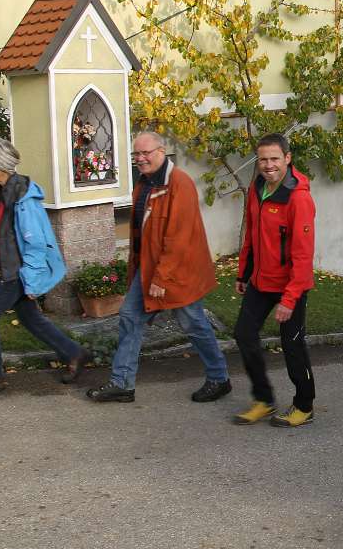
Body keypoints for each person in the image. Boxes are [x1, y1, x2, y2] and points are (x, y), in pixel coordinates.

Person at [88, 132, 230, 404]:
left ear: (161, 151)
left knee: (193, 323)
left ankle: (219, 377)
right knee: (130, 317)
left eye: (145, 153)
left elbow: (177, 237)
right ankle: (122, 384)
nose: (140, 159)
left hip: (179, 271)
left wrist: (162, 278)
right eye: (136, 155)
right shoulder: (144, 184)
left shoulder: (180, 184)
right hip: (150, 268)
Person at [0, 139, 86, 393]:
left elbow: (36, 245)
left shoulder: (23, 199)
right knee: (31, 319)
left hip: (19, 272)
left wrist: (31, 281)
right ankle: (74, 353)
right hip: (11, 269)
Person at [229, 133, 318, 427]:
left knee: (292, 345)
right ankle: (264, 400)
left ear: (287, 159)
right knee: (244, 334)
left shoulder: (298, 198)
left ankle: (304, 406)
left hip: (290, 285)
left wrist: (289, 299)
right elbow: (252, 236)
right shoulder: (257, 189)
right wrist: (244, 272)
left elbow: (303, 256)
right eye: (263, 159)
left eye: (274, 159)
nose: (268, 165)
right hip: (260, 280)